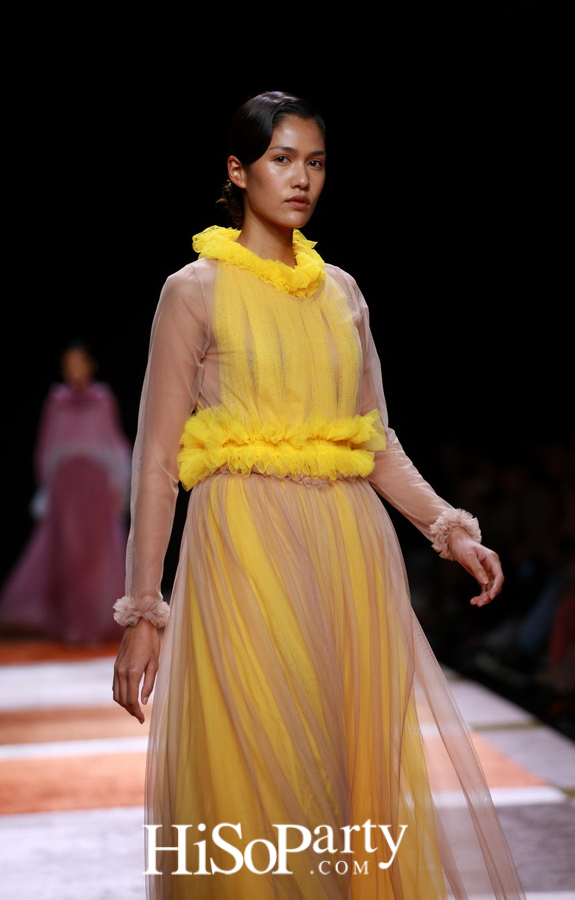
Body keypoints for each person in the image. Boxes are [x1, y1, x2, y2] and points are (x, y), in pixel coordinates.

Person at [112, 92, 526, 899]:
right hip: (242, 549)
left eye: (316, 162)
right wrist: (143, 612)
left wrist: (448, 529)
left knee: (345, 775)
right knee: (263, 766)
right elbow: (156, 460)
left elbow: (373, 439)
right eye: (281, 159)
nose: (301, 178)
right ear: (238, 171)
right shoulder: (193, 291)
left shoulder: (343, 292)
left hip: (348, 553)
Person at [0, 341, 131, 644]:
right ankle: (72, 623)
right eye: (68, 364)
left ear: (90, 365)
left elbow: (113, 443)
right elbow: (46, 446)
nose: (74, 369)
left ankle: (92, 623)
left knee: (95, 555)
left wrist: (119, 484)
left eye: (79, 362)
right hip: (66, 485)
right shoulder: (56, 402)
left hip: (96, 482)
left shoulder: (102, 400)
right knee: (69, 553)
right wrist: (45, 489)